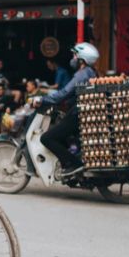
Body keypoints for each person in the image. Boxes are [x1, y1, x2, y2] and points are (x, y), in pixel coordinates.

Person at [33, 43, 99, 177]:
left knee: (47, 138)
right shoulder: (91, 72)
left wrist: (42, 99)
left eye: (75, 55)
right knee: (62, 135)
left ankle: (72, 164)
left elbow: (64, 93)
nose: (73, 58)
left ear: (82, 60)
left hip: (77, 114)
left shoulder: (81, 74)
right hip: (83, 112)